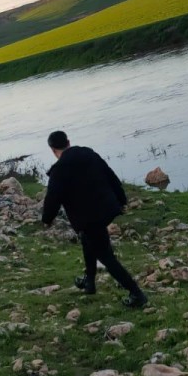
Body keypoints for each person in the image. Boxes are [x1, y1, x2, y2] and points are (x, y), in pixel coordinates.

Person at [42, 130, 148, 308]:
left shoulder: (59, 170)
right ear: (68, 142)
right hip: (106, 208)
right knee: (87, 239)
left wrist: (47, 219)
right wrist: (121, 199)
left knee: (105, 255)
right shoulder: (88, 153)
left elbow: (53, 197)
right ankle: (89, 281)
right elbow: (110, 175)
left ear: (53, 150)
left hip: (89, 217)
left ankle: (137, 294)